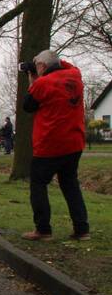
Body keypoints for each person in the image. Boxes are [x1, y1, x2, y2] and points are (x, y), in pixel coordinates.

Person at [21, 49, 89, 242]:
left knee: (38, 184)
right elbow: (64, 65)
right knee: (70, 184)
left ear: (41, 66)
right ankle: (82, 228)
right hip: (74, 142)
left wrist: (32, 77)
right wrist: (44, 63)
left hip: (50, 144)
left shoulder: (42, 83)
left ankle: (43, 229)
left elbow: (28, 106)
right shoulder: (75, 75)